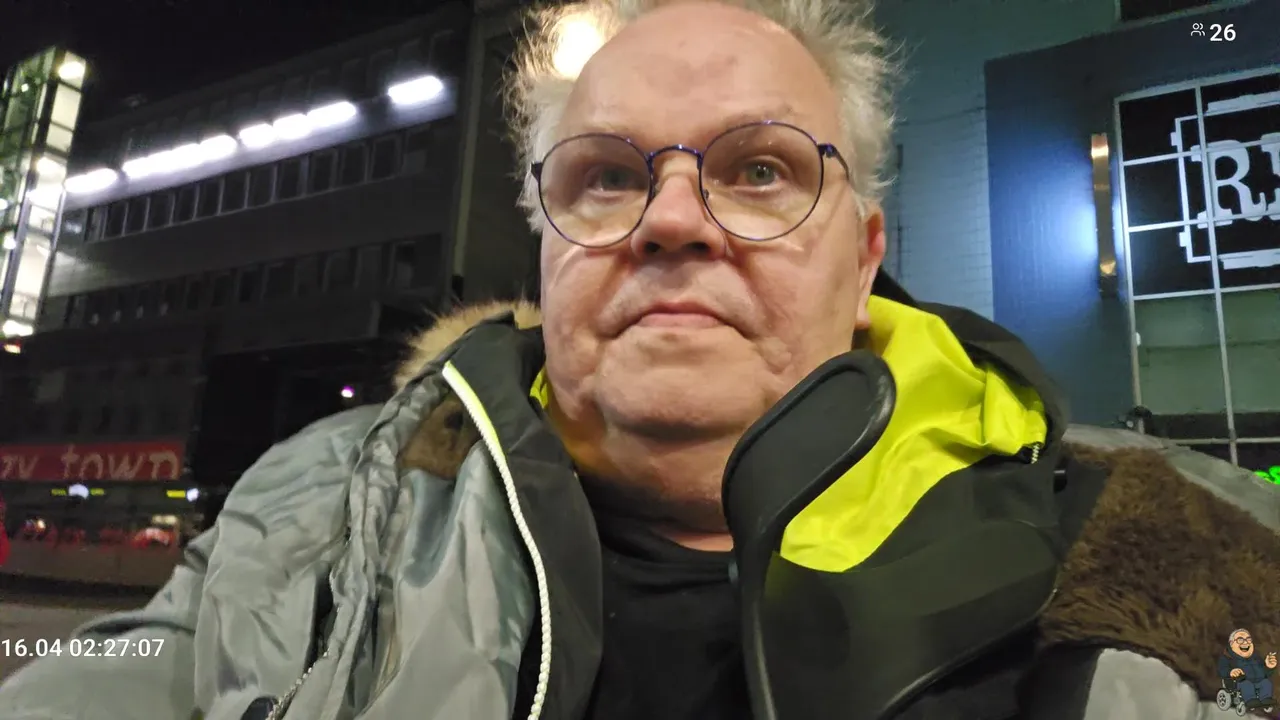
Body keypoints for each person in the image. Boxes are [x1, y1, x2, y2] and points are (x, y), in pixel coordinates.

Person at [2, 1, 1279, 718]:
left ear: (862, 256)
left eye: (758, 169)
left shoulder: (1184, 552)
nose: (671, 220)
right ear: (545, 246)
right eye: (608, 177)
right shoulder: (310, 520)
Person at [1219, 628, 1278, 710]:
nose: (1245, 642)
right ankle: (1250, 700)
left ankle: (1266, 699)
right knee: (1246, 684)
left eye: (1248, 639)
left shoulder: (1256, 658)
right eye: (1240, 640)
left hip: (1258, 681)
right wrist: (1231, 672)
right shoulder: (1228, 658)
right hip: (1238, 682)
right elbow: (1222, 670)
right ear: (1232, 644)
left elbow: (1264, 673)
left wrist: (1269, 667)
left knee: (1266, 682)